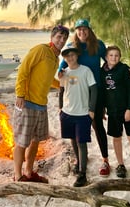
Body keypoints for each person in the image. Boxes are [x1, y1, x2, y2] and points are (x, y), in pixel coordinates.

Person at [13, 24, 69, 183]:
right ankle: (18, 176)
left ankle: (29, 172)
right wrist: (20, 94)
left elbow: (49, 79)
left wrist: (62, 85)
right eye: (59, 37)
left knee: (35, 140)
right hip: (27, 102)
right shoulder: (40, 50)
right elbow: (23, 70)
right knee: (22, 141)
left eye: (64, 38)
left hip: (41, 104)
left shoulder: (55, 58)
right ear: (52, 37)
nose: (61, 40)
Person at [58, 18, 110, 176]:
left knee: (97, 125)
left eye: (84, 29)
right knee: (76, 128)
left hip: (96, 90)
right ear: (76, 31)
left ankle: (105, 160)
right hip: (79, 92)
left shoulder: (98, 45)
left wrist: (125, 69)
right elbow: (64, 64)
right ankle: (81, 160)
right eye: (79, 30)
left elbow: (110, 60)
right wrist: (60, 72)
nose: (82, 32)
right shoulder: (73, 46)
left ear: (89, 30)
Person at [100, 45, 130, 179]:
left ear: (120, 57)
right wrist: (102, 109)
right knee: (116, 138)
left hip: (127, 111)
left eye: (116, 55)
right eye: (111, 55)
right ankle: (121, 165)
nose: (114, 58)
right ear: (106, 57)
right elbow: (102, 92)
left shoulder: (124, 69)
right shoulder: (102, 72)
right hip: (112, 112)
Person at [59, 46, 97, 187]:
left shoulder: (85, 70)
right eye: (67, 56)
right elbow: (61, 91)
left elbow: (94, 89)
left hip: (82, 113)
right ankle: (79, 163)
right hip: (67, 113)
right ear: (64, 58)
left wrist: (92, 109)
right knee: (73, 140)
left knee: (81, 142)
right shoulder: (64, 73)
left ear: (77, 56)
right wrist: (59, 108)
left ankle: (83, 174)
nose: (70, 57)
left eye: (72, 55)